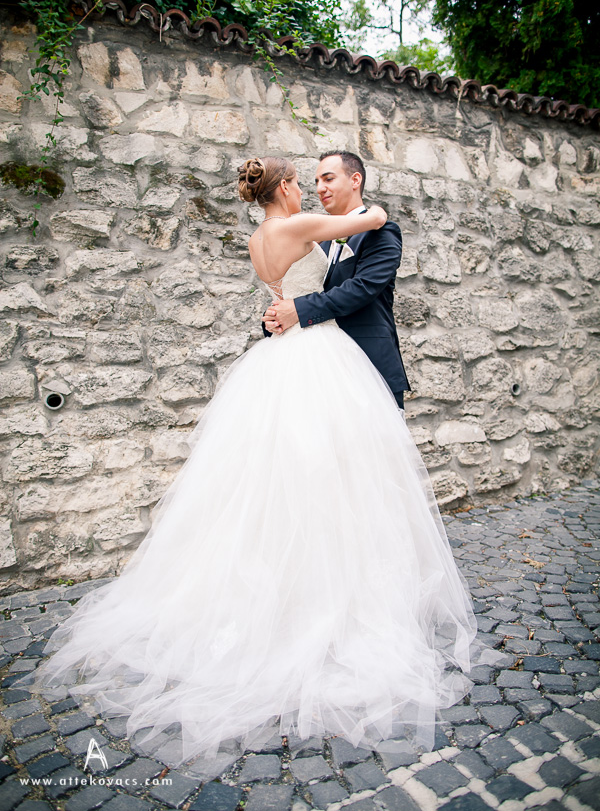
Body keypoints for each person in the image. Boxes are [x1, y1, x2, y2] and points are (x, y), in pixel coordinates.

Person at [23, 156, 490, 778]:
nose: (315, 188)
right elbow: (366, 224)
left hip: (292, 358)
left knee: (296, 481)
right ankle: (316, 608)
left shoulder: (262, 237)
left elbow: (347, 285)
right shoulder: (306, 226)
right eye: (306, 180)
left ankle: (318, 593)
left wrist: (292, 307)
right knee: (312, 480)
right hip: (317, 360)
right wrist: (358, 222)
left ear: (349, 178)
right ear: (286, 187)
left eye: (328, 178)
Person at [262, 150, 410, 409]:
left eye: (328, 179)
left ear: (355, 180)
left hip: (369, 365)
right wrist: (276, 317)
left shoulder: (382, 232)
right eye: (317, 181)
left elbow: (362, 288)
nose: (320, 188)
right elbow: (302, 288)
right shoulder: (317, 240)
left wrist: (297, 310)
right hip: (320, 371)